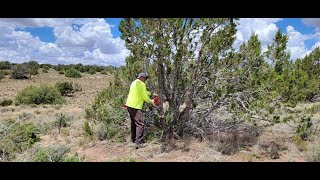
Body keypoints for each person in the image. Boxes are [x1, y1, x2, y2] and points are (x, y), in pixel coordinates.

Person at [125, 72, 156, 149]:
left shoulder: (134, 82)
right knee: (140, 124)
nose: (145, 80)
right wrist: (151, 101)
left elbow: (142, 92)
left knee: (133, 123)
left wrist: (151, 93)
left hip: (129, 105)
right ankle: (139, 143)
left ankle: (133, 140)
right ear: (142, 77)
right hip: (135, 106)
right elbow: (144, 96)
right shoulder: (142, 84)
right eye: (145, 78)